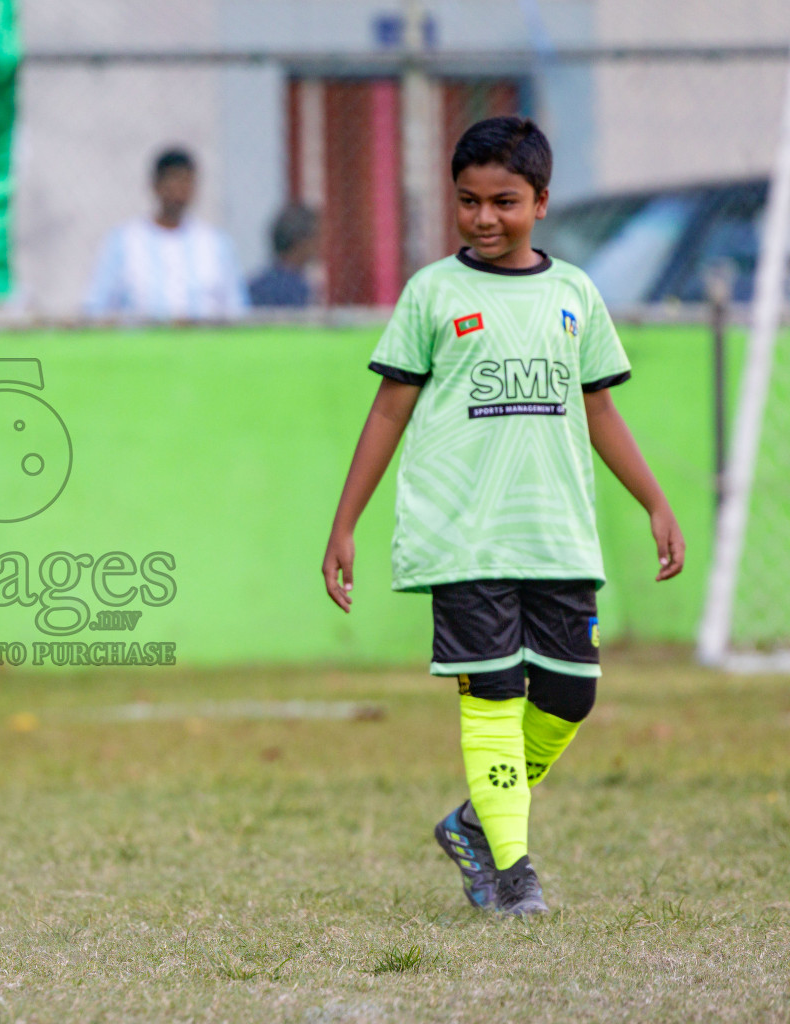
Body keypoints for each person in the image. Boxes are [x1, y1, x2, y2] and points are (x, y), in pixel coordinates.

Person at [319, 117, 685, 916]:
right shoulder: (433, 293)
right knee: (491, 693)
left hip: (556, 535)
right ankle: (515, 873)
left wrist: (654, 500)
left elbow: (600, 411)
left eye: (504, 202)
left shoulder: (574, 295)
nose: (484, 219)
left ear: (542, 202)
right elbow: (388, 412)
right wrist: (345, 523)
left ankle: (475, 824)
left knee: (569, 697)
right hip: (464, 538)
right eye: (468, 202)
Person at [83, 147, 248, 322]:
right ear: (156, 185)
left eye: (187, 182)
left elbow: (236, 310)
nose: (180, 191)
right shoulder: (125, 241)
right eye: (174, 181)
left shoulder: (215, 244)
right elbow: (97, 308)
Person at [248, 203, 319, 307]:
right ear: (300, 241)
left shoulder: (255, 284)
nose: (320, 243)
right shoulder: (295, 289)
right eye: (316, 236)